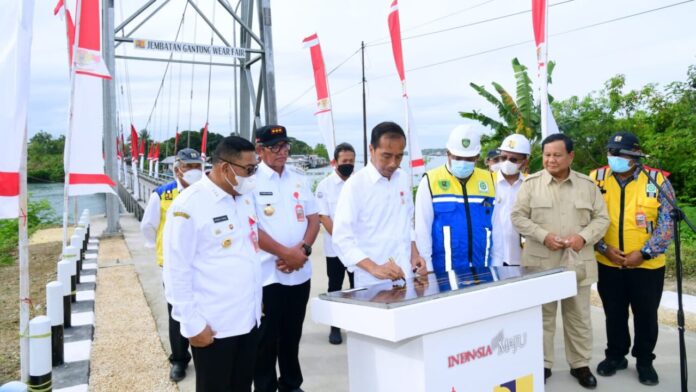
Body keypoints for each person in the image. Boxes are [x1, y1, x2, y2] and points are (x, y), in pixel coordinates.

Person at [162, 136, 262, 391]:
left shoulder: (243, 197)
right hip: (214, 327)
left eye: (255, 168)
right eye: (249, 170)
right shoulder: (189, 205)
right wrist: (191, 325)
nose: (253, 176)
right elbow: (176, 271)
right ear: (225, 168)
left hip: (247, 321)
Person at [510, 133, 609, 389]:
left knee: (578, 316)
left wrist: (582, 237)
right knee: (543, 317)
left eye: (556, 155)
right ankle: (542, 364)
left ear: (570, 156)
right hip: (540, 263)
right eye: (546, 155)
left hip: (577, 263)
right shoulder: (530, 184)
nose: (550, 160)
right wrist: (544, 236)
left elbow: (602, 219)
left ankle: (580, 365)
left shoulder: (587, 186)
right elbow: (518, 217)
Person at [590, 131, 674, 386]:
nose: (613, 157)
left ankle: (645, 361)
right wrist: (604, 248)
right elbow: (584, 218)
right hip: (609, 262)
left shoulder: (657, 179)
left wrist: (645, 253)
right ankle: (615, 356)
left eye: (620, 153)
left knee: (646, 315)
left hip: (647, 265)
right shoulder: (596, 179)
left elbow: (668, 221)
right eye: (610, 152)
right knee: (613, 313)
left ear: (635, 155)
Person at [253, 125, 320, 392]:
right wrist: (286, 254)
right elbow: (250, 227)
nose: (282, 152)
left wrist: (302, 251)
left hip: (300, 271)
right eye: (275, 147)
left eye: (285, 146)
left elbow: (313, 219)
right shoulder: (251, 182)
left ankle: (291, 384)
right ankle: (266, 387)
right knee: (266, 338)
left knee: (292, 334)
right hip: (268, 274)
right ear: (259, 150)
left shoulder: (299, 178)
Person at [333, 121, 426, 289]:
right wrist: (374, 268)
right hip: (372, 281)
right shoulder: (355, 185)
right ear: (371, 150)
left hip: (406, 275)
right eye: (386, 156)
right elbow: (341, 239)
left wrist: (414, 254)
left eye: (399, 156)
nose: (393, 163)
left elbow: (407, 222)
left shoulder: (403, 179)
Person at [140, 148, 204, 382]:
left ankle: (203, 352)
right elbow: (149, 225)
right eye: (189, 167)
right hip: (174, 264)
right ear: (177, 169)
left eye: (198, 166)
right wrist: (159, 250)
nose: (194, 171)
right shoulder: (163, 194)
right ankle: (179, 358)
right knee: (177, 311)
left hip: (203, 262)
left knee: (204, 308)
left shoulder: (208, 191)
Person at [414, 125, 495, 273]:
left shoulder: (489, 180)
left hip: (484, 270)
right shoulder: (430, 181)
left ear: (477, 157)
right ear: (448, 154)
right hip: (444, 272)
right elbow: (422, 229)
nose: (463, 162)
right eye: (458, 158)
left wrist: (497, 265)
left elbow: (497, 228)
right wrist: (429, 268)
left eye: (469, 159)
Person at [315, 142, 356, 345]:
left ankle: (359, 327)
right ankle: (335, 327)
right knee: (335, 287)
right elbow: (323, 217)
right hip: (335, 249)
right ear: (334, 162)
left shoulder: (358, 183)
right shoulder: (325, 186)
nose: (348, 164)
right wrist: (342, 241)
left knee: (359, 288)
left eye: (351, 161)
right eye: (344, 161)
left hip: (358, 249)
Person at [491, 134, 531, 267]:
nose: (507, 162)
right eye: (503, 158)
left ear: (524, 162)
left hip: (522, 257)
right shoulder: (487, 183)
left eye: (513, 159)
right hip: (493, 258)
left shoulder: (531, 184)